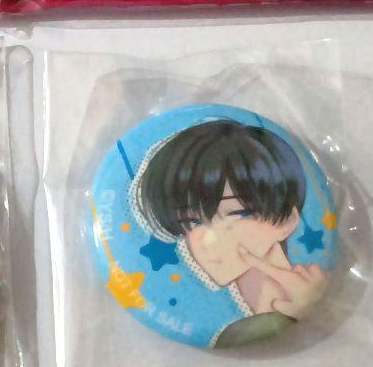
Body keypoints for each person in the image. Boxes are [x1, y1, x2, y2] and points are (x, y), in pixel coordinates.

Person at [131, 119, 327, 345]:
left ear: (286, 221)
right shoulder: (231, 334)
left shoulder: (322, 295)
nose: (208, 242)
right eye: (192, 222)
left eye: (237, 214)